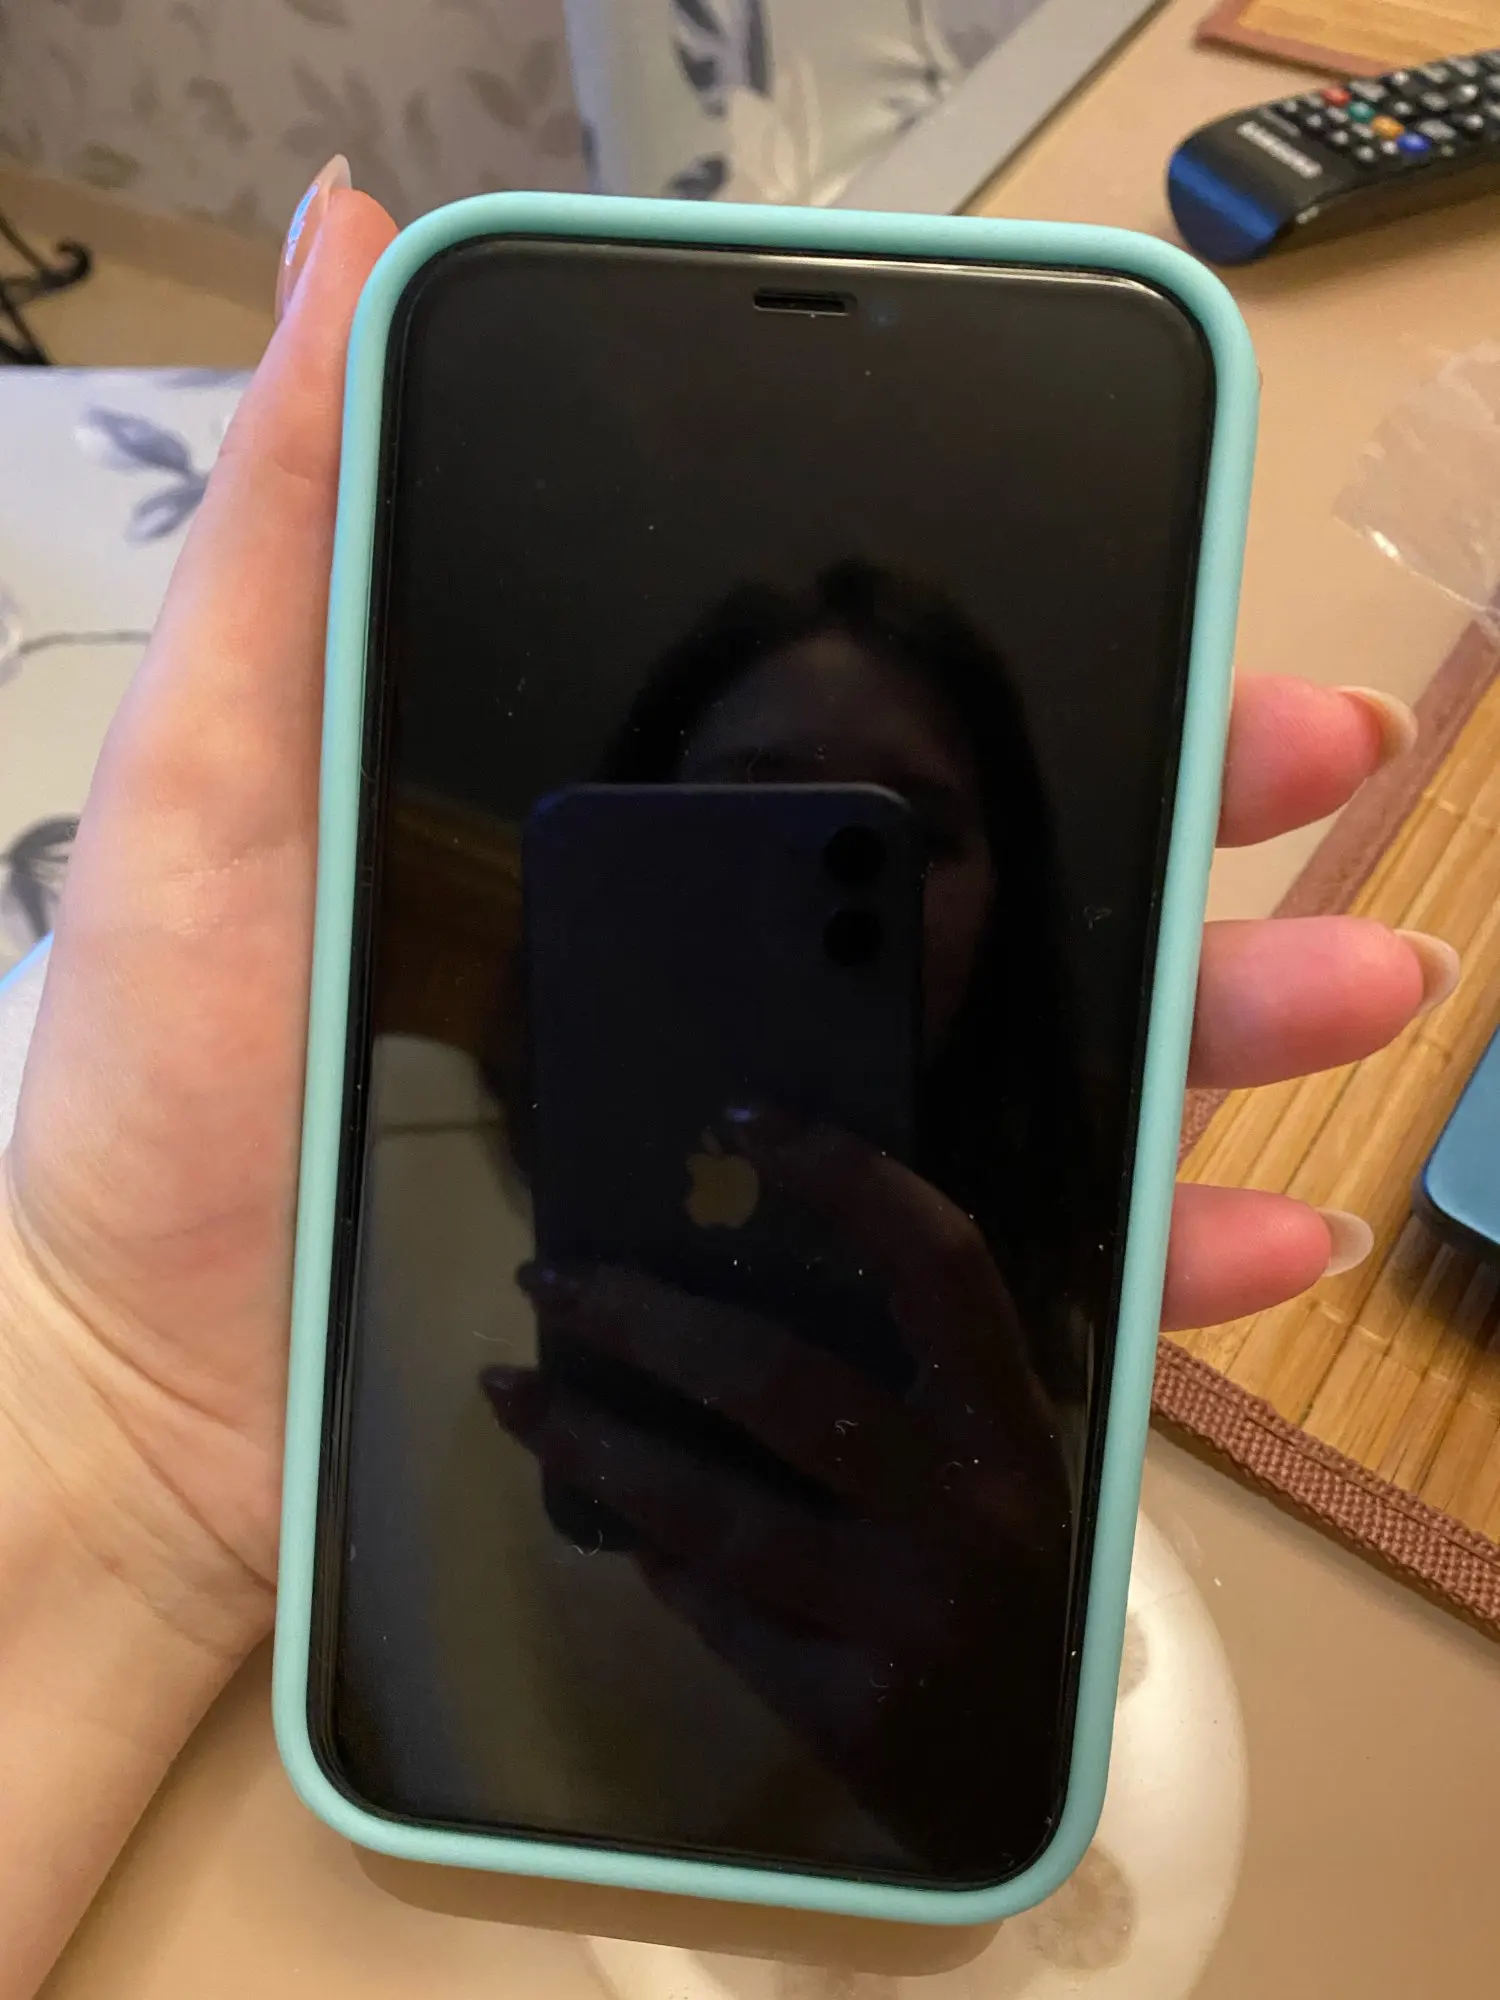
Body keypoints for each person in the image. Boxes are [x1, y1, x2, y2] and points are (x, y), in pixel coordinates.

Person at [0, 156, 1455, 1993]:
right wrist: (87, 1382)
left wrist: (968, 1733)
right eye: (743, 816)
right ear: (618, 848)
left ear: (1011, 905)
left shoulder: (1033, 1317)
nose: (799, 894)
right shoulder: (369, 1160)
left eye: (895, 837)